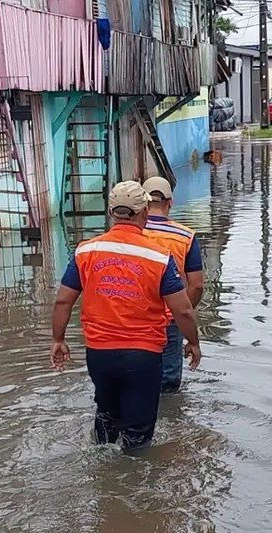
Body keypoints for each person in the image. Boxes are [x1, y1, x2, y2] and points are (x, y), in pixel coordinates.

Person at [50, 180, 202, 452]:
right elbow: (182, 310)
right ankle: (132, 488)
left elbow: (63, 300)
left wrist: (58, 339)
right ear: (144, 212)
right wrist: (193, 342)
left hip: (99, 354)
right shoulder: (159, 257)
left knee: (106, 417)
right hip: (142, 356)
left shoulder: (85, 251)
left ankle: (101, 477)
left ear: (111, 213)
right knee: (138, 437)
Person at [141, 176, 204, 393]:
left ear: (142, 203)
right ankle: (171, 423)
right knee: (167, 387)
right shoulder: (186, 237)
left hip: (132, 319)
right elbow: (196, 286)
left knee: (133, 382)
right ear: (171, 202)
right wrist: (181, 313)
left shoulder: (128, 235)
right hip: (170, 319)